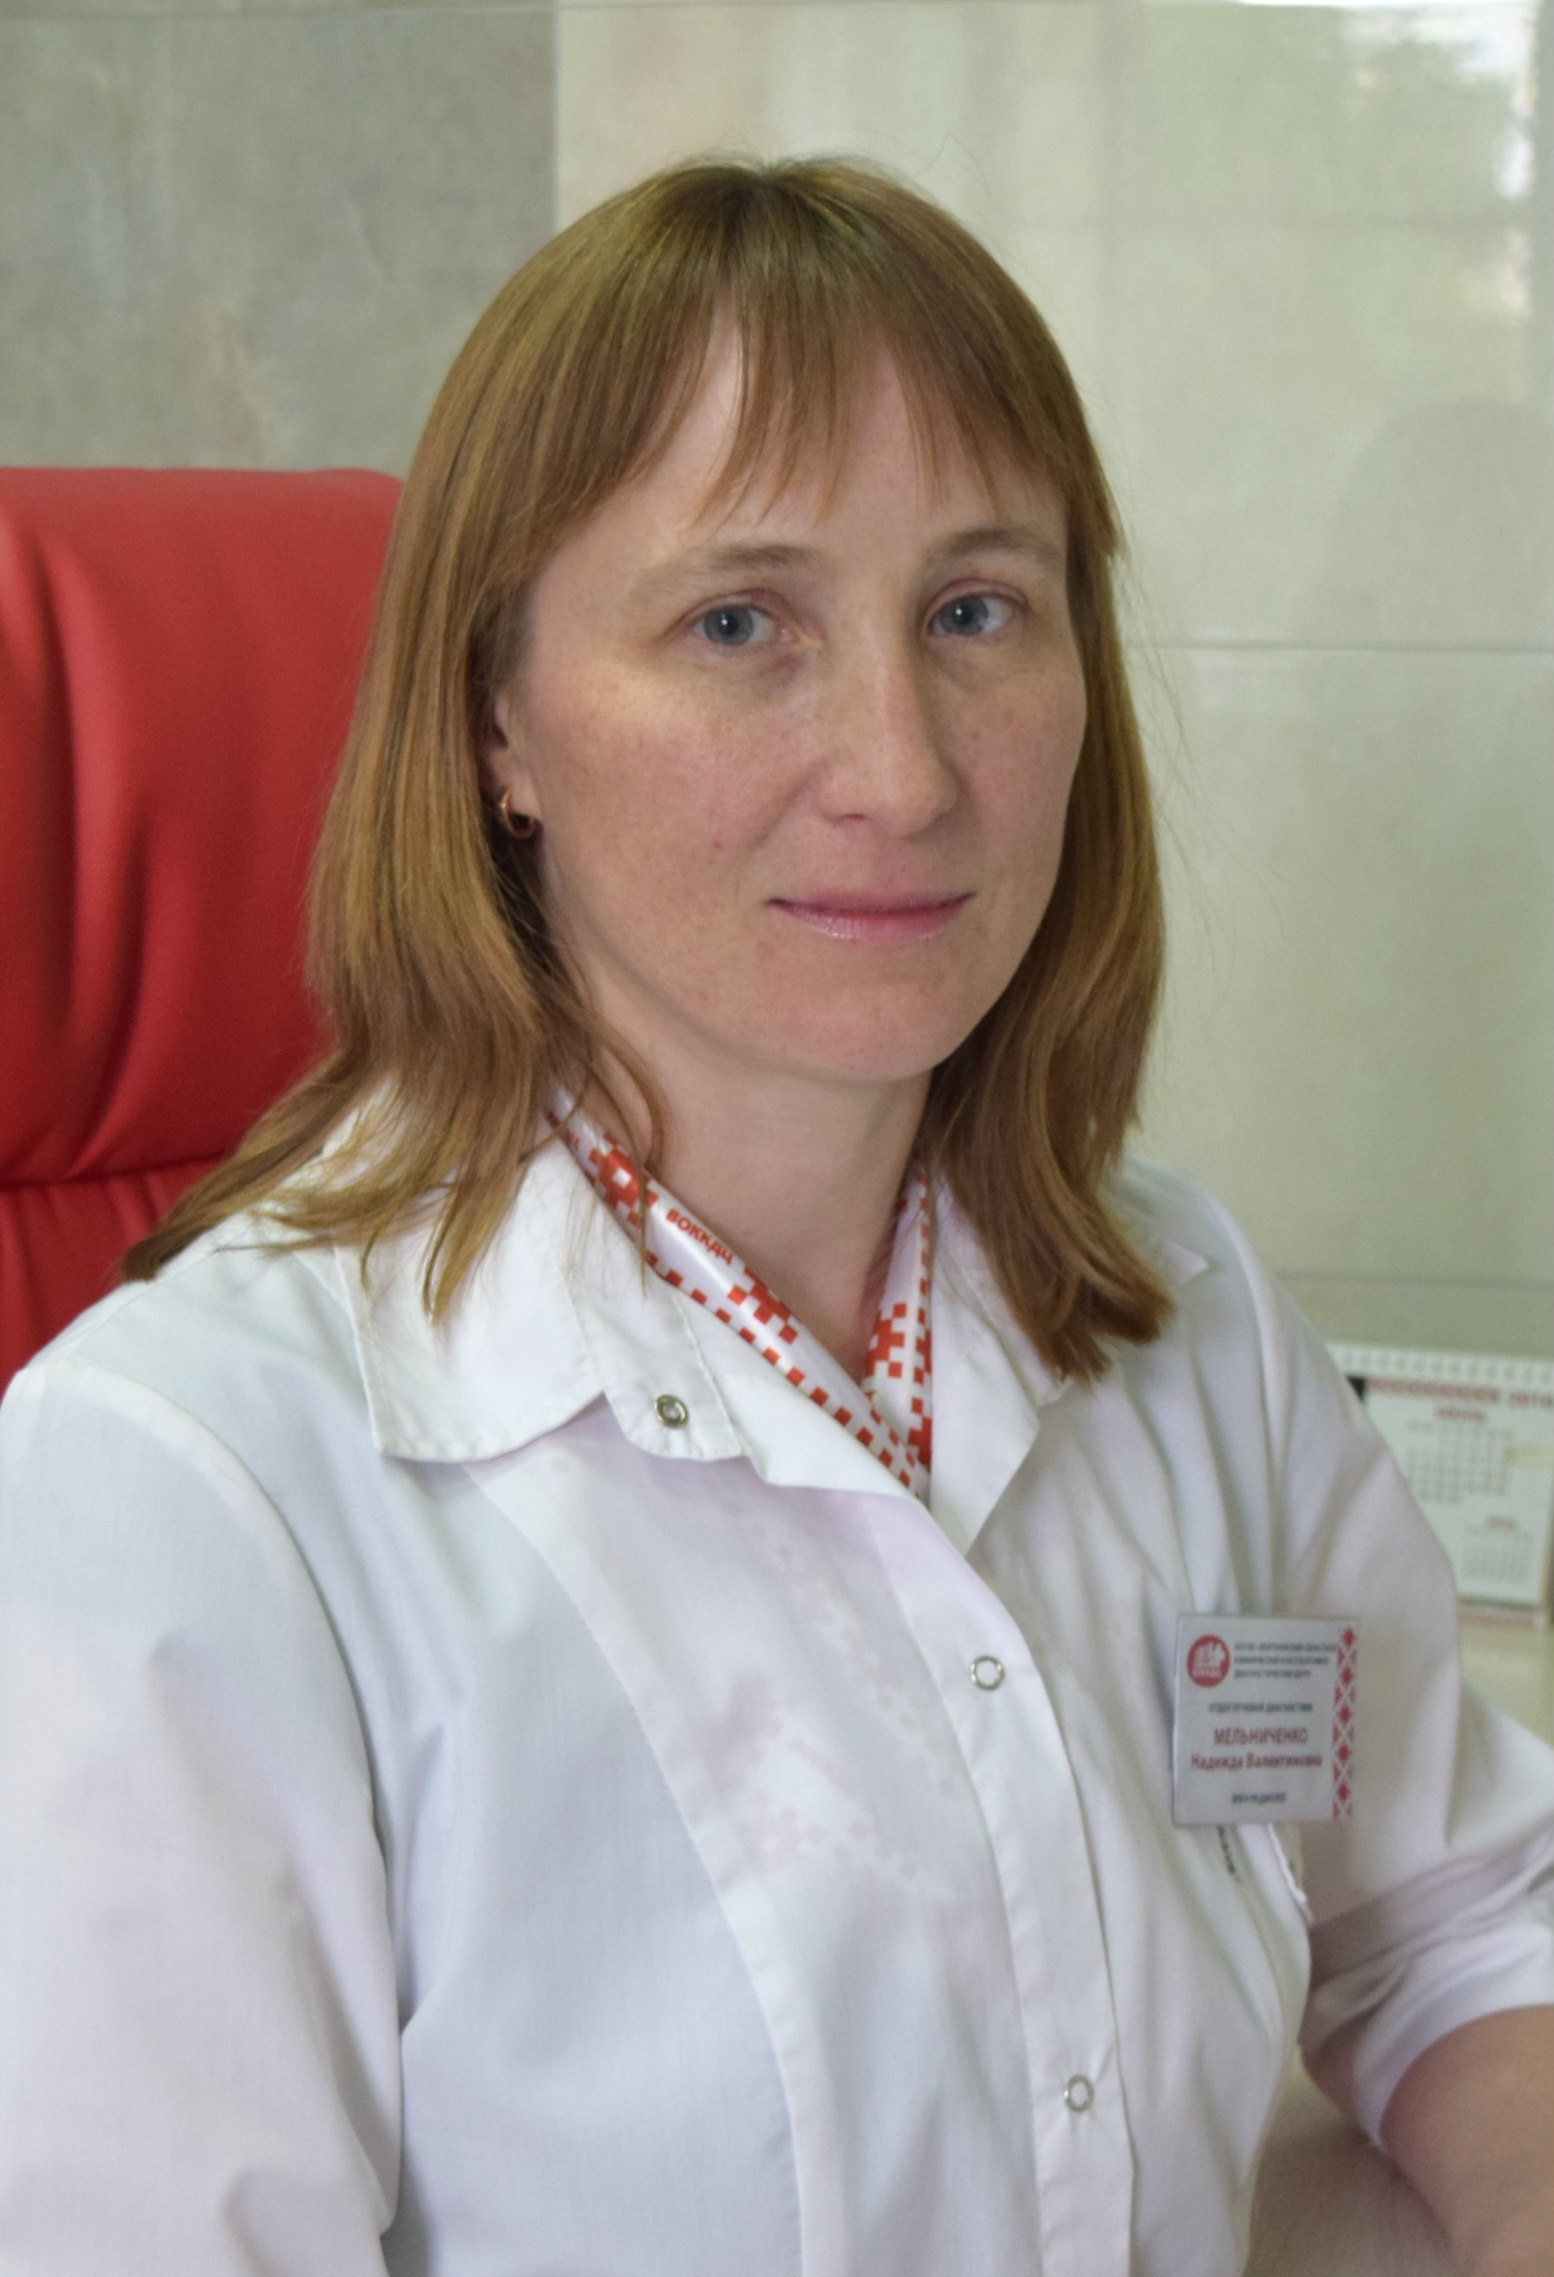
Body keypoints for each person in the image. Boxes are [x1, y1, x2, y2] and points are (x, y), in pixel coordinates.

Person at [0, 158, 1549, 2277]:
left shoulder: (1185, 1311)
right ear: (495, 723)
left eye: (975, 610)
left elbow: (1454, 1916)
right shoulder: (187, 1491)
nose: (902, 771)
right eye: (740, 623)